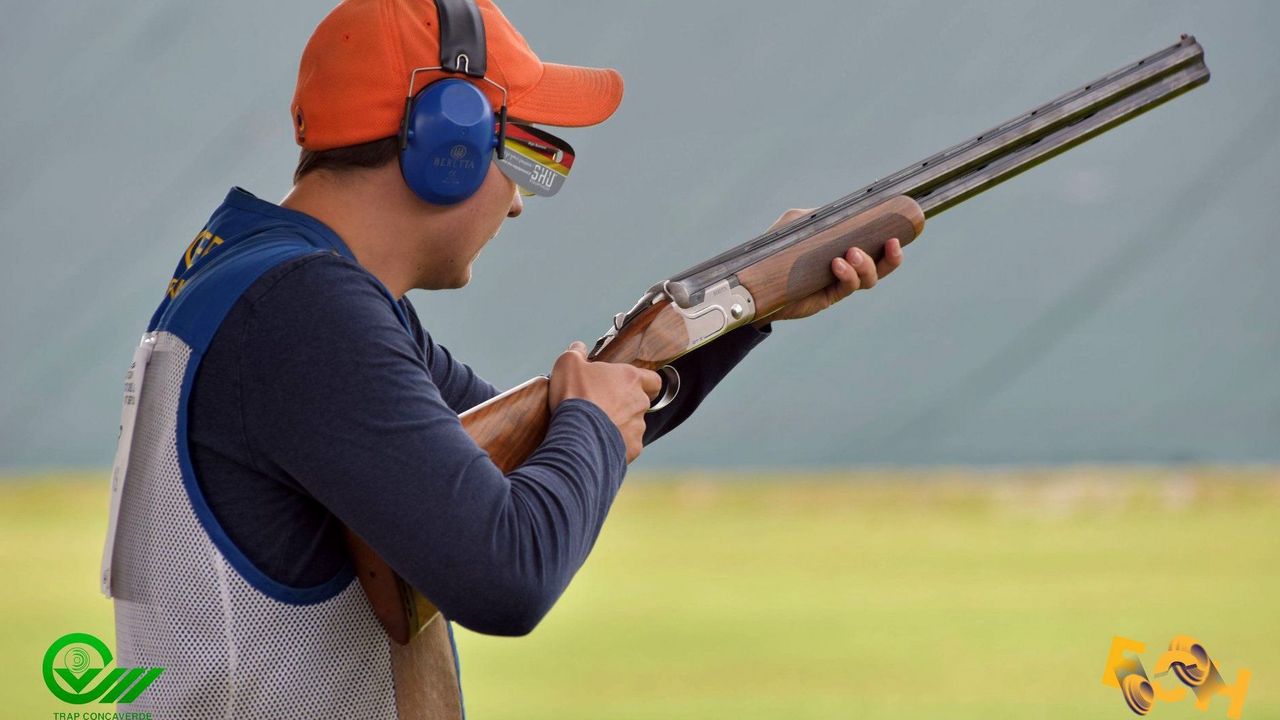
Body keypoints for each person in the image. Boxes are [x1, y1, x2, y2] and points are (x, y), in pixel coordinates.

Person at [100, 0, 904, 717]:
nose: (521, 198)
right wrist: (592, 419)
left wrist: (752, 300)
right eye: (525, 154)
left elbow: (532, 446)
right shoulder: (303, 312)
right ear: (447, 143)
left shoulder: (271, 278)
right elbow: (507, 574)